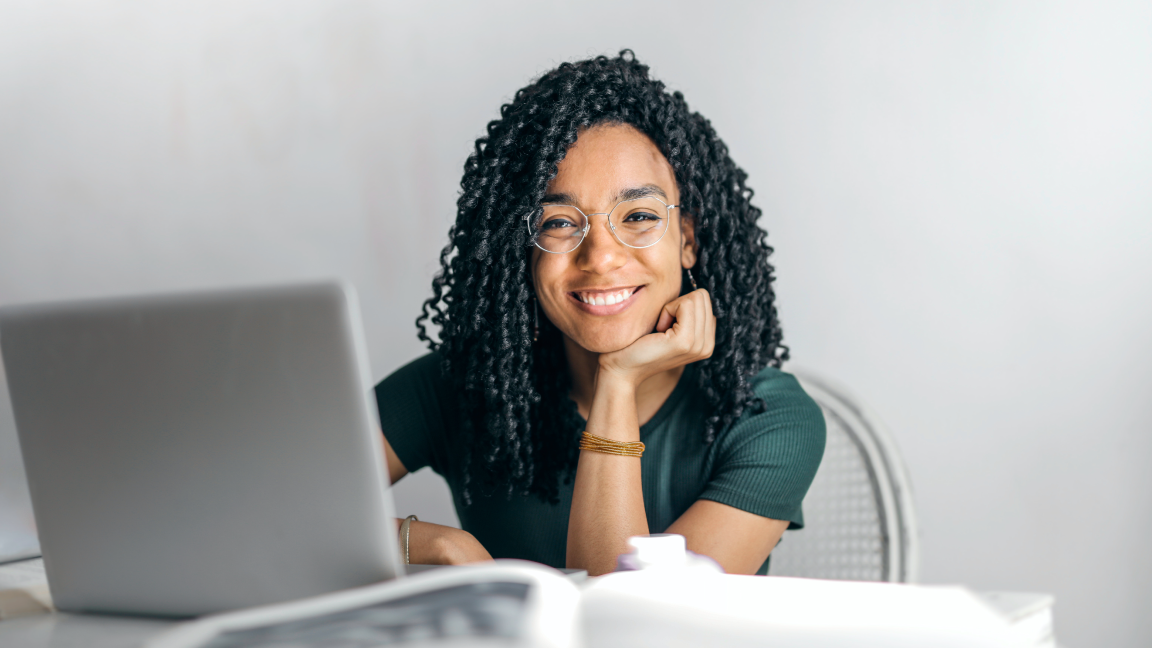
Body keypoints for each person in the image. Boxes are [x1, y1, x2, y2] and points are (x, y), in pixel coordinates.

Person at [375, 51, 825, 576]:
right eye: (560, 223)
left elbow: (630, 624)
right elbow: (267, 509)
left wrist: (618, 381)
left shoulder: (767, 418)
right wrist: (429, 543)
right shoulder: (463, 384)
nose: (602, 256)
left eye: (638, 216)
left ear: (688, 239)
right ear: (522, 249)